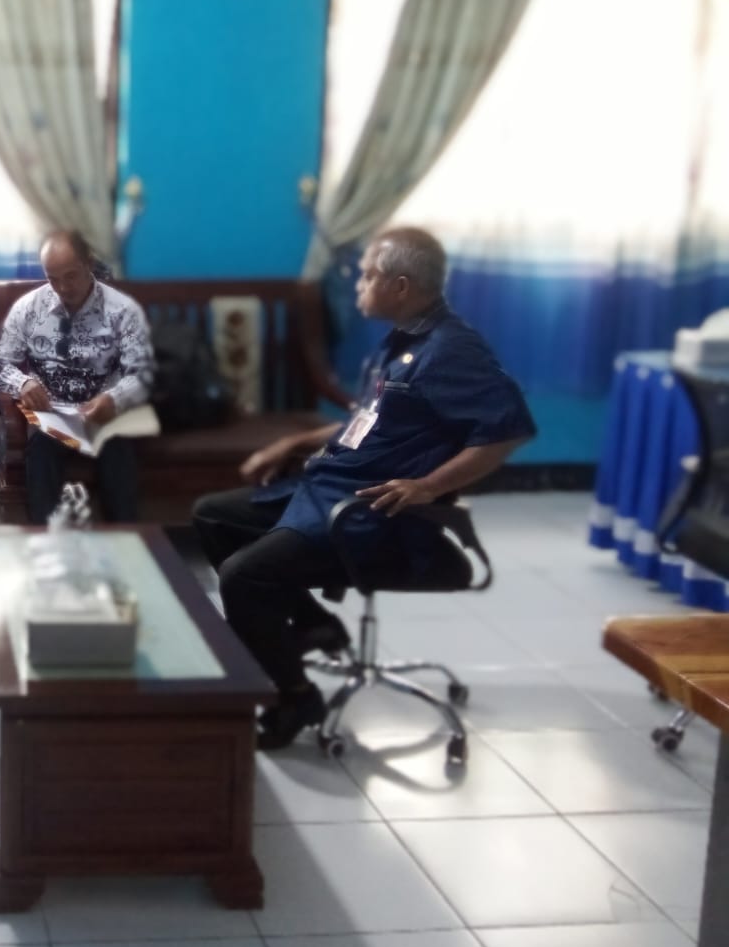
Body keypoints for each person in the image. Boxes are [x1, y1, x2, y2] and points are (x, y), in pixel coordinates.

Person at [190, 227, 536, 749]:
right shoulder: (402, 340)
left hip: (370, 515)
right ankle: (313, 624)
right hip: (328, 489)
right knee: (213, 516)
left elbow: (507, 431)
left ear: (400, 285)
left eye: (368, 276)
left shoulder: (451, 350)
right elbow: (366, 420)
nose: (358, 285)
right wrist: (292, 443)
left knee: (244, 576)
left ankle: (294, 696)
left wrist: (428, 486)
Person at [0, 230, 154, 522]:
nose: (63, 287)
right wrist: (22, 383)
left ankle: (126, 537)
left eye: (71, 276)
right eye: (53, 279)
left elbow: (142, 372)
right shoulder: (29, 308)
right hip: (52, 414)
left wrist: (115, 398)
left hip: (103, 414)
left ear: (88, 263)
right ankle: (46, 540)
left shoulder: (122, 310)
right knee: (41, 449)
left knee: (118, 449)